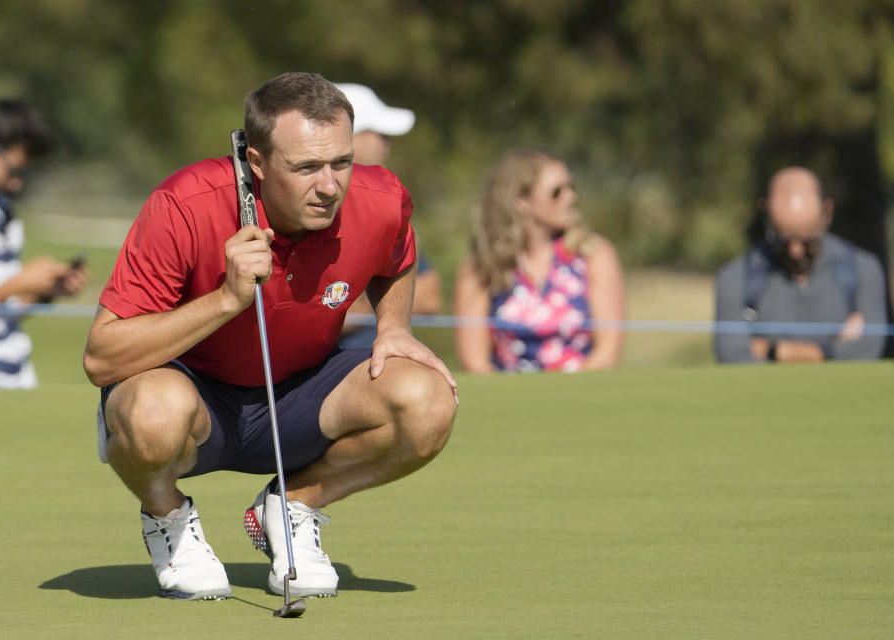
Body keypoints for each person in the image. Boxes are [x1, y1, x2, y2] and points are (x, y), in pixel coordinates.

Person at [82, 72, 458, 602]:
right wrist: (225, 300)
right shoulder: (184, 203)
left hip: (302, 395)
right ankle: (167, 517)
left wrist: (394, 327)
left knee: (428, 402)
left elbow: (397, 254)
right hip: (197, 399)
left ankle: (292, 507)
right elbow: (101, 357)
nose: (329, 186)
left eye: (341, 163)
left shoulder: (381, 198)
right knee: (151, 414)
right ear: (256, 163)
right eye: (306, 167)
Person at [453, 147, 624, 373]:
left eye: (571, 188)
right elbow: (475, 364)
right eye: (556, 192)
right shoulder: (481, 267)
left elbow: (606, 354)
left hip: (582, 395)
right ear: (521, 202)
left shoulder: (595, 255)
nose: (571, 197)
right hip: (509, 399)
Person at [714, 166, 887, 363]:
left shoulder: (863, 269)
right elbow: (732, 355)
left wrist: (774, 351)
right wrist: (833, 349)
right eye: (782, 240)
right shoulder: (734, 277)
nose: (795, 252)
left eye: (809, 242)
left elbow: (868, 350)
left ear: (827, 213)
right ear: (765, 212)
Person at [0, 99, 88, 388]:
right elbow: (5, 293)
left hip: (17, 380)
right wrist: (18, 284)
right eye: (13, 170)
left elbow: (2, 313)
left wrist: (44, 291)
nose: (16, 184)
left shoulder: (3, 214)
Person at [333, 83, 441, 350]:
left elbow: (429, 296)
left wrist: (350, 308)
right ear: (349, 136)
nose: (387, 144)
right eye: (380, 134)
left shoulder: (384, 207)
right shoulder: (301, 211)